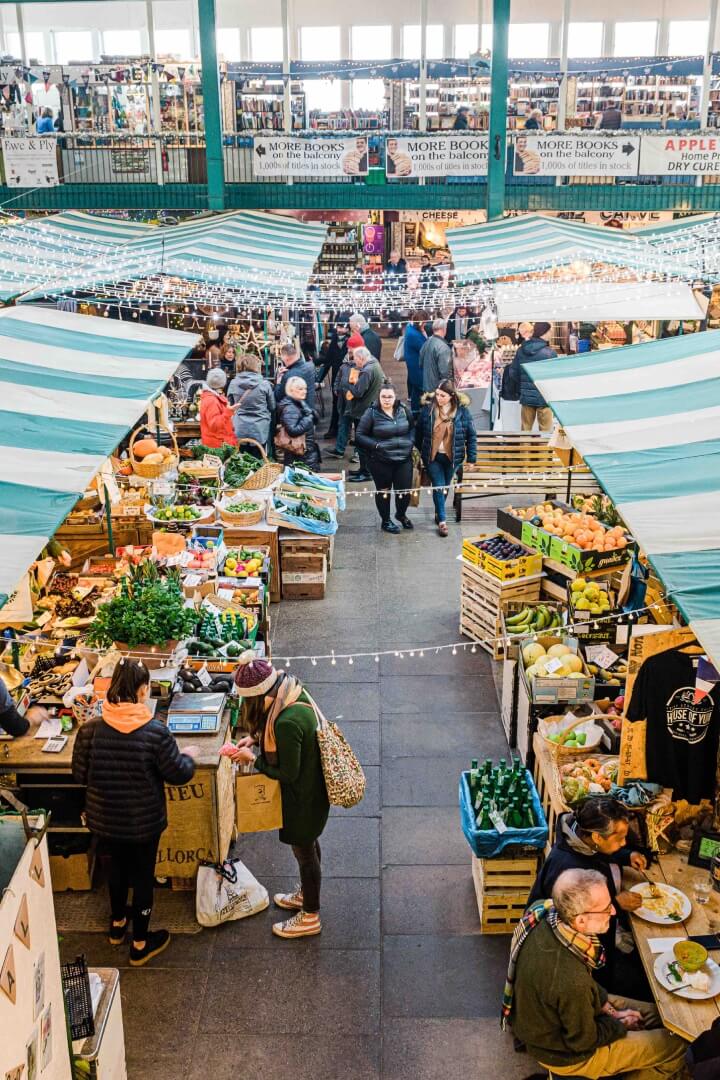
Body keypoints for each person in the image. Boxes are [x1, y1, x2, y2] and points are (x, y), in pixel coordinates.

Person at [504, 868, 688, 1080]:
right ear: (581, 920)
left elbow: (586, 988)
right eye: (606, 908)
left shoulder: (544, 913)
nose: (613, 912)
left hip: (551, 1018)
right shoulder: (569, 978)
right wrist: (619, 1024)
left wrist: (611, 1010)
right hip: (564, 1054)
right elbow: (583, 1040)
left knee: (665, 1017)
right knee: (679, 1045)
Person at [72, 659, 197, 965]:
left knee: (114, 871)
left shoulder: (89, 730)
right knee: (142, 878)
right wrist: (189, 758)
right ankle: (140, 943)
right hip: (144, 823)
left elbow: (79, 775)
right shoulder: (155, 732)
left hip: (104, 821)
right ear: (142, 691)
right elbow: (178, 773)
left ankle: (117, 926)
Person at [228, 652, 330, 940]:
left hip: (303, 798)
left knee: (304, 852)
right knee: (308, 846)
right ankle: (306, 896)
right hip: (313, 790)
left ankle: (310, 915)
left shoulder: (285, 722)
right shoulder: (290, 689)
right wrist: (256, 739)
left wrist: (253, 759)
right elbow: (279, 735)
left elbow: (288, 774)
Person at [528, 797, 649, 994]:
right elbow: (567, 919)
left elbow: (598, 852)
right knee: (595, 989)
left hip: (595, 939)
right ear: (596, 837)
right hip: (573, 951)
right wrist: (616, 904)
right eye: (619, 839)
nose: (624, 842)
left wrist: (626, 855)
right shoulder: (568, 870)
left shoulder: (579, 837)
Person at [416, 380, 477, 536]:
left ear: (451, 396)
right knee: (438, 485)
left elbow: (471, 436)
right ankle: (442, 521)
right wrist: (419, 451)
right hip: (433, 456)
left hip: (453, 458)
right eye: (437, 394)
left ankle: (439, 511)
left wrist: (471, 458)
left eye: (442, 395)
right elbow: (419, 432)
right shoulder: (428, 410)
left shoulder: (462, 412)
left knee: (445, 487)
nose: (438, 398)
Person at [355, 381, 415, 534]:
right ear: (379, 397)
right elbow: (360, 435)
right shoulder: (371, 413)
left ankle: (401, 514)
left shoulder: (403, 410)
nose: (386, 400)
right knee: (384, 491)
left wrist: (410, 441)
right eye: (383, 397)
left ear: (395, 397)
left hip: (403, 459)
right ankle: (386, 521)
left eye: (390, 397)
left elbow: (413, 428)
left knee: (404, 491)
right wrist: (376, 445)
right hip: (381, 461)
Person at [343, 345, 386, 483]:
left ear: (361, 358)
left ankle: (366, 472)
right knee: (364, 444)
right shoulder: (375, 365)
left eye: (356, 359)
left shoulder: (367, 371)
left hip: (363, 411)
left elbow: (358, 392)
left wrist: (349, 384)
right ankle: (363, 469)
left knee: (363, 445)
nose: (355, 362)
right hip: (369, 410)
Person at [510, 320, 557, 432]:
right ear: (544, 332)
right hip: (544, 397)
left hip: (526, 397)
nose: (551, 334)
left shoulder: (521, 350)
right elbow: (555, 377)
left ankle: (524, 450)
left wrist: (523, 387)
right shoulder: (550, 353)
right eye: (550, 331)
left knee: (525, 429)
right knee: (545, 432)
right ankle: (543, 450)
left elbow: (513, 373)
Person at [327, 331, 366, 460]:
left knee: (359, 427)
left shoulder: (362, 364)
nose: (347, 348)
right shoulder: (346, 360)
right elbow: (340, 373)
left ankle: (358, 454)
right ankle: (339, 450)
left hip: (357, 402)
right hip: (344, 400)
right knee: (343, 424)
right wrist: (337, 387)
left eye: (350, 347)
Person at [227, 352, 275, 453]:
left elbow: (231, 407)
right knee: (259, 461)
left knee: (241, 462)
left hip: (240, 427)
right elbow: (272, 406)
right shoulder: (264, 384)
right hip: (260, 429)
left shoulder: (233, 383)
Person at [275, 375, 320, 469]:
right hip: (299, 456)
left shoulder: (299, 402)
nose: (304, 391)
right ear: (291, 390)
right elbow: (293, 430)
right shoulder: (290, 408)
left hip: (304, 454)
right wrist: (308, 418)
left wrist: (312, 414)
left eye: (305, 388)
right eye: (300, 389)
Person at [316, 319, 348, 438]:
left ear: (347, 329)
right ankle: (333, 429)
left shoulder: (350, 341)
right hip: (336, 378)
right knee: (335, 403)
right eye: (338, 327)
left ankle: (344, 431)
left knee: (346, 405)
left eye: (342, 327)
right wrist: (318, 379)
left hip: (347, 378)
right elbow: (327, 361)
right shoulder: (334, 340)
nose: (340, 330)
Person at [199, 368, 238, 448]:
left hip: (218, 443)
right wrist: (228, 412)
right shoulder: (212, 400)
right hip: (217, 446)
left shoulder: (212, 397)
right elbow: (215, 425)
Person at [274, 342, 317, 411]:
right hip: (310, 409)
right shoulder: (310, 366)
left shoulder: (288, 376)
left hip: (297, 413)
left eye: (282, 359)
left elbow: (278, 397)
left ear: (286, 359)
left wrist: (278, 381)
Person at [403, 312, 428, 416]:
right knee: (418, 387)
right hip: (416, 364)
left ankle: (416, 410)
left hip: (413, 362)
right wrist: (424, 333)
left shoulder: (410, 328)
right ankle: (416, 410)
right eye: (425, 323)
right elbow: (425, 347)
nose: (425, 325)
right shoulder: (414, 334)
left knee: (415, 388)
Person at [420, 317, 453, 393]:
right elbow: (445, 373)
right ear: (444, 329)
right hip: (437, 390)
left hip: (426, 386)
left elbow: (420, 363)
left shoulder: (426, 342)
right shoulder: (443, 347)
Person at [385, 250, 408, 336]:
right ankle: (393, 329)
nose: (393, 259)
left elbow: (403, 280)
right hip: (389, 291)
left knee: (396, 313)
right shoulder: (388, 266)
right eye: (392, 257)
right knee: (391, 313)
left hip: (398, 292)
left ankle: (397, 331)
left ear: (398, 257)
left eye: (394, 257)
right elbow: (385, 278)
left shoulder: (401, 266)